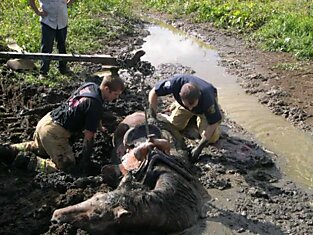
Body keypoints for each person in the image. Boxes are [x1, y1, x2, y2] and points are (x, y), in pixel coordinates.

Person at [0, 72, 125, 174]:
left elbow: (92, 113)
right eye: (115, 94)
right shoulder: (95, 105)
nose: (116, 98)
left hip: (46, 121)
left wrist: (101, 128)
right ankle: (27, 162)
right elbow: (88, 138)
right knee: (67, 167)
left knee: (39, 148)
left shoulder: (91, 86)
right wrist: (84, 162)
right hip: (54, 133)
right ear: (107, 89)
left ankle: (10, 150)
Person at [148, 74, 223, 162]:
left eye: (193, 105)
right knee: (174, 126)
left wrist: (199, 148)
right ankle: (178, 107)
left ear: (199, 96)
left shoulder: (208, 99)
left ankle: (213, 115)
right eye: (189, 105)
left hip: (203, 109)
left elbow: (213, 124)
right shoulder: (174, 84)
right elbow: (153, 92)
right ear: (180, 96)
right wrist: (152, 115)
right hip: (183, 105)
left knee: (211, 139)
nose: (191, 108)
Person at [29, 0, 75, 78]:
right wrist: (37, 12)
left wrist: (67, 4)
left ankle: (63, 68)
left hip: (62, 19)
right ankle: (44, 71)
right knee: (46, 47)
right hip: (48, 21)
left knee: (62, 45)